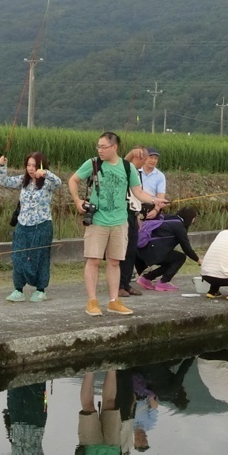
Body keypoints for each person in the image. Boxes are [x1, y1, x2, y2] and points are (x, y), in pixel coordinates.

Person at [68, 132, 162, 317]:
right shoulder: (93, 163)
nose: (100, 150)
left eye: (103, 147)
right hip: (97, 220)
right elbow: (73, 179)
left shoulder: (128, 168)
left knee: (114, 262)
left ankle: (113, 301)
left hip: (120, 222)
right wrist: (77, 200)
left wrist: (155, 200)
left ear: (114, 147)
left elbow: (138, 192)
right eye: (98, 146)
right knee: (93, 260)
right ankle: (92, 301)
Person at [0, 152, 62, 302]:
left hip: (42, 225)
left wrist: (45, 173)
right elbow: (5, 181)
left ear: (41, 166)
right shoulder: (23, 180)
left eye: (34, 165)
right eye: (28, 165)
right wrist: (1, 165)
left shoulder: (47, 182)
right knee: (18, 256)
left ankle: (40, 290)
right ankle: (18, 289)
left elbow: (59, 182)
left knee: (39, 257)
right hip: (23, 225)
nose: (31, 169)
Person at [135, 207, 200, 292]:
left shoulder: (169, 218)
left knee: (171, 260)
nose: (193, 221)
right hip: (153, 251)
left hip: (144, 249)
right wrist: (198, 260)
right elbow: (186, 248)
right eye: (193, 218)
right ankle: (163, 282)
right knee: (180, 258)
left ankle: (147, 278)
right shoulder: (179, 226)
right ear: (190, 218)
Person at [118, 146, 150, 297]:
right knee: (121, 251)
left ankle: (126, 283)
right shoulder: (125, 169)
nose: (145, 161)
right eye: (144, 158)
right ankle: (118, 285)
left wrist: (138, 215)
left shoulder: (138, 174)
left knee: (131, 251)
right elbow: (122, 163)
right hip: (123, 213)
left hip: (133, 213)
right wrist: (130, 153)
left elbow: (136, 196)